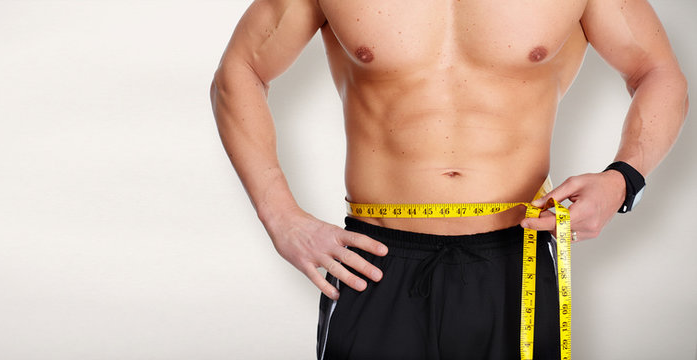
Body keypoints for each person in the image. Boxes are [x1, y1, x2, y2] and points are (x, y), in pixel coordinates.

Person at [210, 0, 687, 358]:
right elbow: (241, 69)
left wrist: (623, 180)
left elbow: (657, 70)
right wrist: (280, 216)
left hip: (515, 257)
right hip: (376, 263)